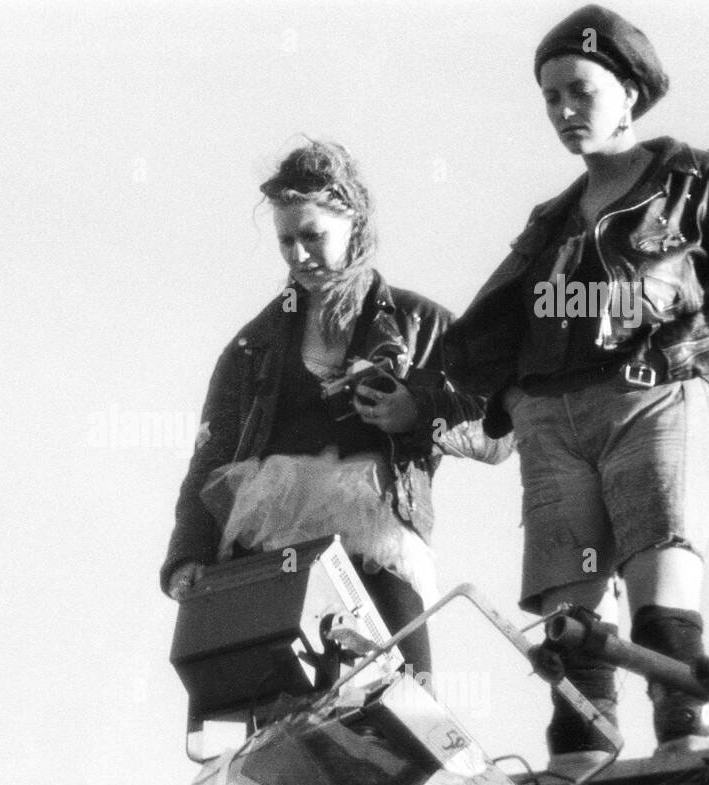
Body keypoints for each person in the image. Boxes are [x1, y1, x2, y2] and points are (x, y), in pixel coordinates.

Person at [443, 6, 709, 763]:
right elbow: (490, 337)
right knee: (570, 627)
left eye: (580, 92)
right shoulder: (548, 223)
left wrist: (675, 354)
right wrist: (504, 402)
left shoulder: (699, 177)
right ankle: (579, 770)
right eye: (550, 98)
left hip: (651, 398)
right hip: (553, 422)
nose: (563, 112)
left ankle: (684, 751)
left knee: (662, 603)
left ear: (630, 92)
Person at [162, 140, 503, 679]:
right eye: (286, 241)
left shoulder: (424, 322)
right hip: (268, 556)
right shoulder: (251, 347)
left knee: (406, 705)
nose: (299, 255)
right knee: (287, 721)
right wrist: (186, 556)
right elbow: (210, 457)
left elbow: (498, 429)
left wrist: (417, 412)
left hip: (382, 542)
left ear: (354, 223)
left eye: (313, 235)